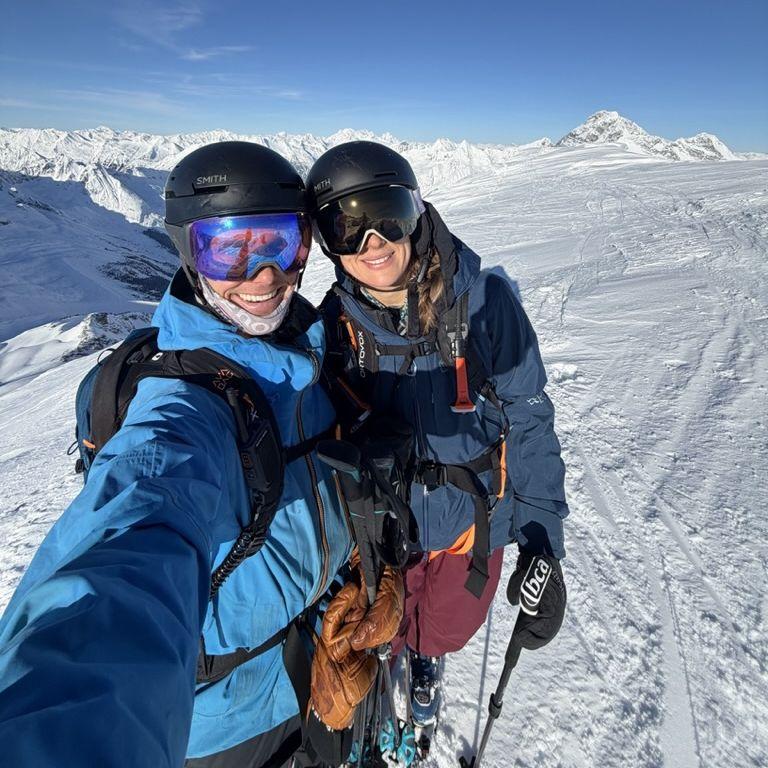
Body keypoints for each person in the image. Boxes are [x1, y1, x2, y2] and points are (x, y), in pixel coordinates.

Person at [0, 141, 401, 768]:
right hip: (228, 725)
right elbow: (128, 549)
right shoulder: (180, 413)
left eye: (281, 243)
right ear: (189, 253)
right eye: (230, 248)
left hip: (311, 670)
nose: (264, 275)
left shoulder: (312, 355)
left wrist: (359, 573)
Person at [307, 141, 570, 731]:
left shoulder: (483, 304)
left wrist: (541, 543)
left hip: (468, 527)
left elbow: (528, 416)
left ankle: (426, 660)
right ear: (328, 244)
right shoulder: (333, 329)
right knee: (384, 627)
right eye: (346, 227)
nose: (371, 243)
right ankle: (401, 654)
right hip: (381, 533)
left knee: (446, 629)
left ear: (417, 213)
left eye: (386, 215)